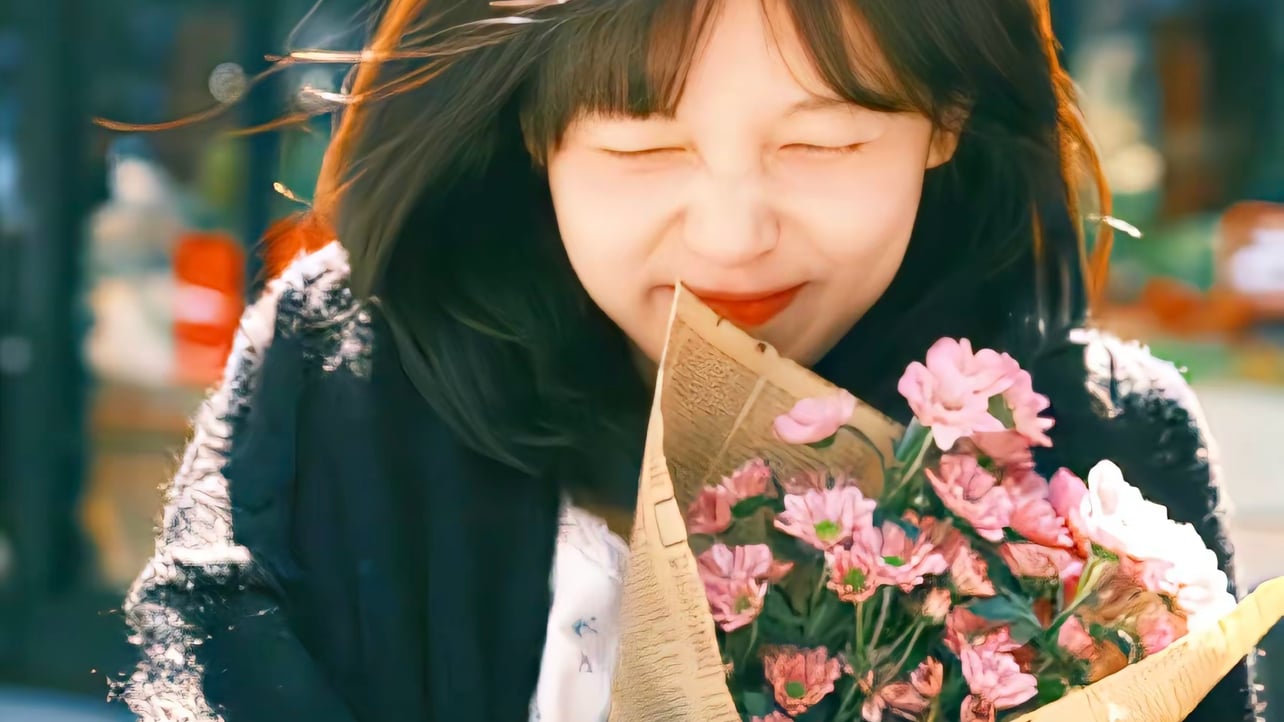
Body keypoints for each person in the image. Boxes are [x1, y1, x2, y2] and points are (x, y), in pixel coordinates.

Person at [114, 1, 1257, 720]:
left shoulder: (1096, 446)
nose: (733, 234)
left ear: (946, 119)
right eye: (643, 148)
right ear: (534, 133)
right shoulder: (348, 366)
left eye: (824, 142)